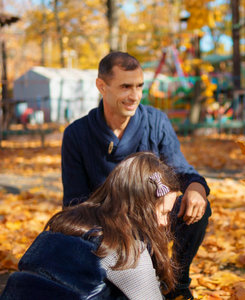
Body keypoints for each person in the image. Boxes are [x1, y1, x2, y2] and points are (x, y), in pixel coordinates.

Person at [60, 51, 211, 299]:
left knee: (199, 207)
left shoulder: (156, 122)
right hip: (105, 225)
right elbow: (73, 203)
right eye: (125, 87)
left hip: (155, 217)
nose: (135, 96)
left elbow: (182, 171)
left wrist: (196, 189)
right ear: (102, 86)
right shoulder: (77, 134)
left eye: (140, 86)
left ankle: (178, 284)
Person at [1, 152, 179, 300]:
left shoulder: (70, 220)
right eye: (163, 212)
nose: (164, 222)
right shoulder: (125, 250)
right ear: (141, 207)